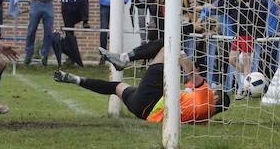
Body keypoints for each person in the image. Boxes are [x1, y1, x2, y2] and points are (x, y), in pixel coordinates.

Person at [55, 45, 229, 123]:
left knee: (168, 45)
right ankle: (75, 79)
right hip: (142, 111)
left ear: (215, 96)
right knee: (116, 87)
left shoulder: (205, 96)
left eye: (215, 90)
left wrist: (182, 55)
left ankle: (124, 59)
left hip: (154, 100)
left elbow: (192, 74)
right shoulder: (204, 119)